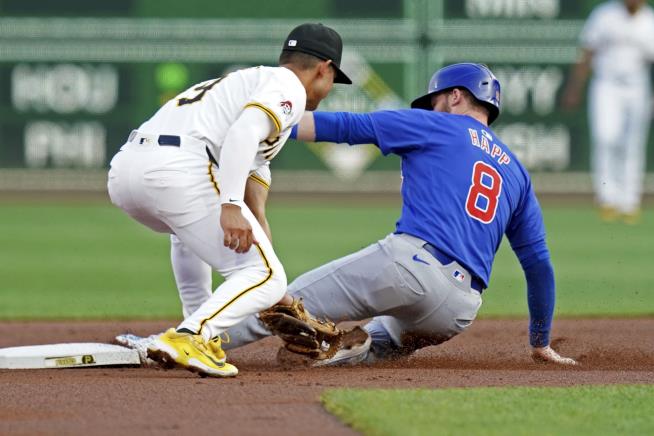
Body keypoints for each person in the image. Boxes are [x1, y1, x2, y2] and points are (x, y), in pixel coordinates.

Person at [218, 63, 577, 366]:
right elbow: (538, 264)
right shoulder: (516, 172)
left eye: (435, 99)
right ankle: (354, 347)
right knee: (382, 340)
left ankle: (196, 339)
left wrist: (258, 123)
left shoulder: (436, 124)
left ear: (455, 96)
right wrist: (539, 342)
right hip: (457, 310)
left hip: (411, 268)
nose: (430, 107)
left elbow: (344, 127)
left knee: (278, 298)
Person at [107, 23, 351, 377]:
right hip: (178, 167)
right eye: (332, 80)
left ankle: (198, 332)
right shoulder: (288, 88)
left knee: (205, 244)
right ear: (323, 69)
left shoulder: (241, 86)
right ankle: (191, 336)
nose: (328, 89)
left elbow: (256, 209)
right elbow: (244, 133)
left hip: (126, 171)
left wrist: (271, 291)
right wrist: (231, 205)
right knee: (266, 276)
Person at [562, 0, 654, 224]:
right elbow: (587, 53)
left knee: (633, 143)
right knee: (605, 137)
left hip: (637, 85)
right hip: (607, 84)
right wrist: (574, 87)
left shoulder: (649, 20)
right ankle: (607, 198)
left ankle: (629, 201)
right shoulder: (605, 15)